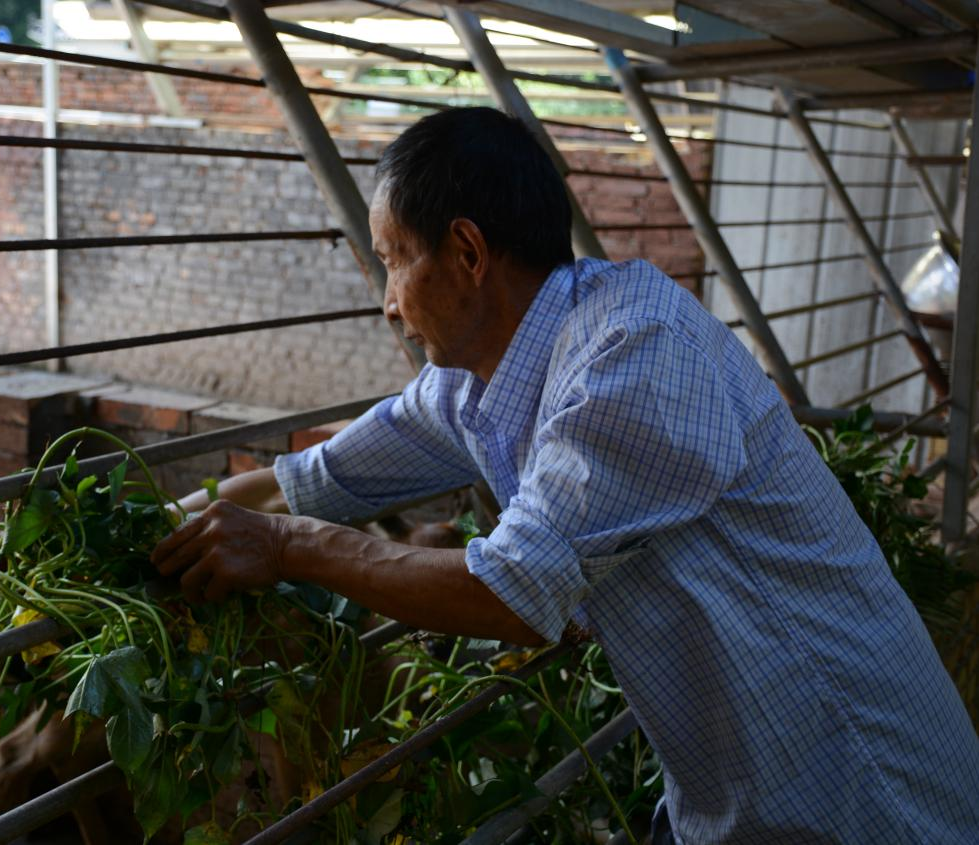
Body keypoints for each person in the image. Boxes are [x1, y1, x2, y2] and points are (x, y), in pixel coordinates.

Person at [151, 106, 979, 843]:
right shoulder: (477, 374)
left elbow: (509, 592)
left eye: (392, 261)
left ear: (467, 251)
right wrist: (153, 525)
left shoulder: (631, 355)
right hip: (737, 788)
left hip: (856, 791)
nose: (388, 302)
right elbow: (316, 476)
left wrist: (290, 547)